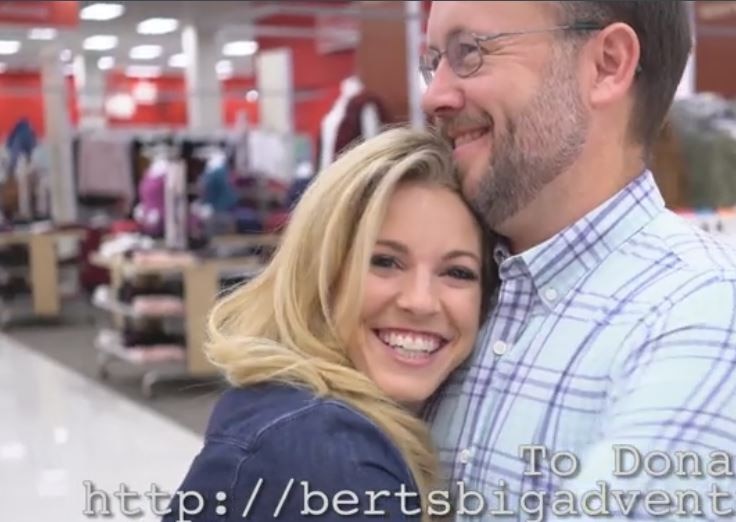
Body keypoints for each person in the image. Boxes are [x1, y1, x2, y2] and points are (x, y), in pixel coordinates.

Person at [419, 1, 736, 519]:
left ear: (607, 64)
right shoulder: (434, 292)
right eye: (433, 62)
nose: (433, 95)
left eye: (469, 53)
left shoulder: (714, 309)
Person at [162, 127, 499, 521]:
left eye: (457, 272)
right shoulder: (330, 455)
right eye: (384, 261)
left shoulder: (283, 410)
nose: (420, 301)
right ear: (321, 274)